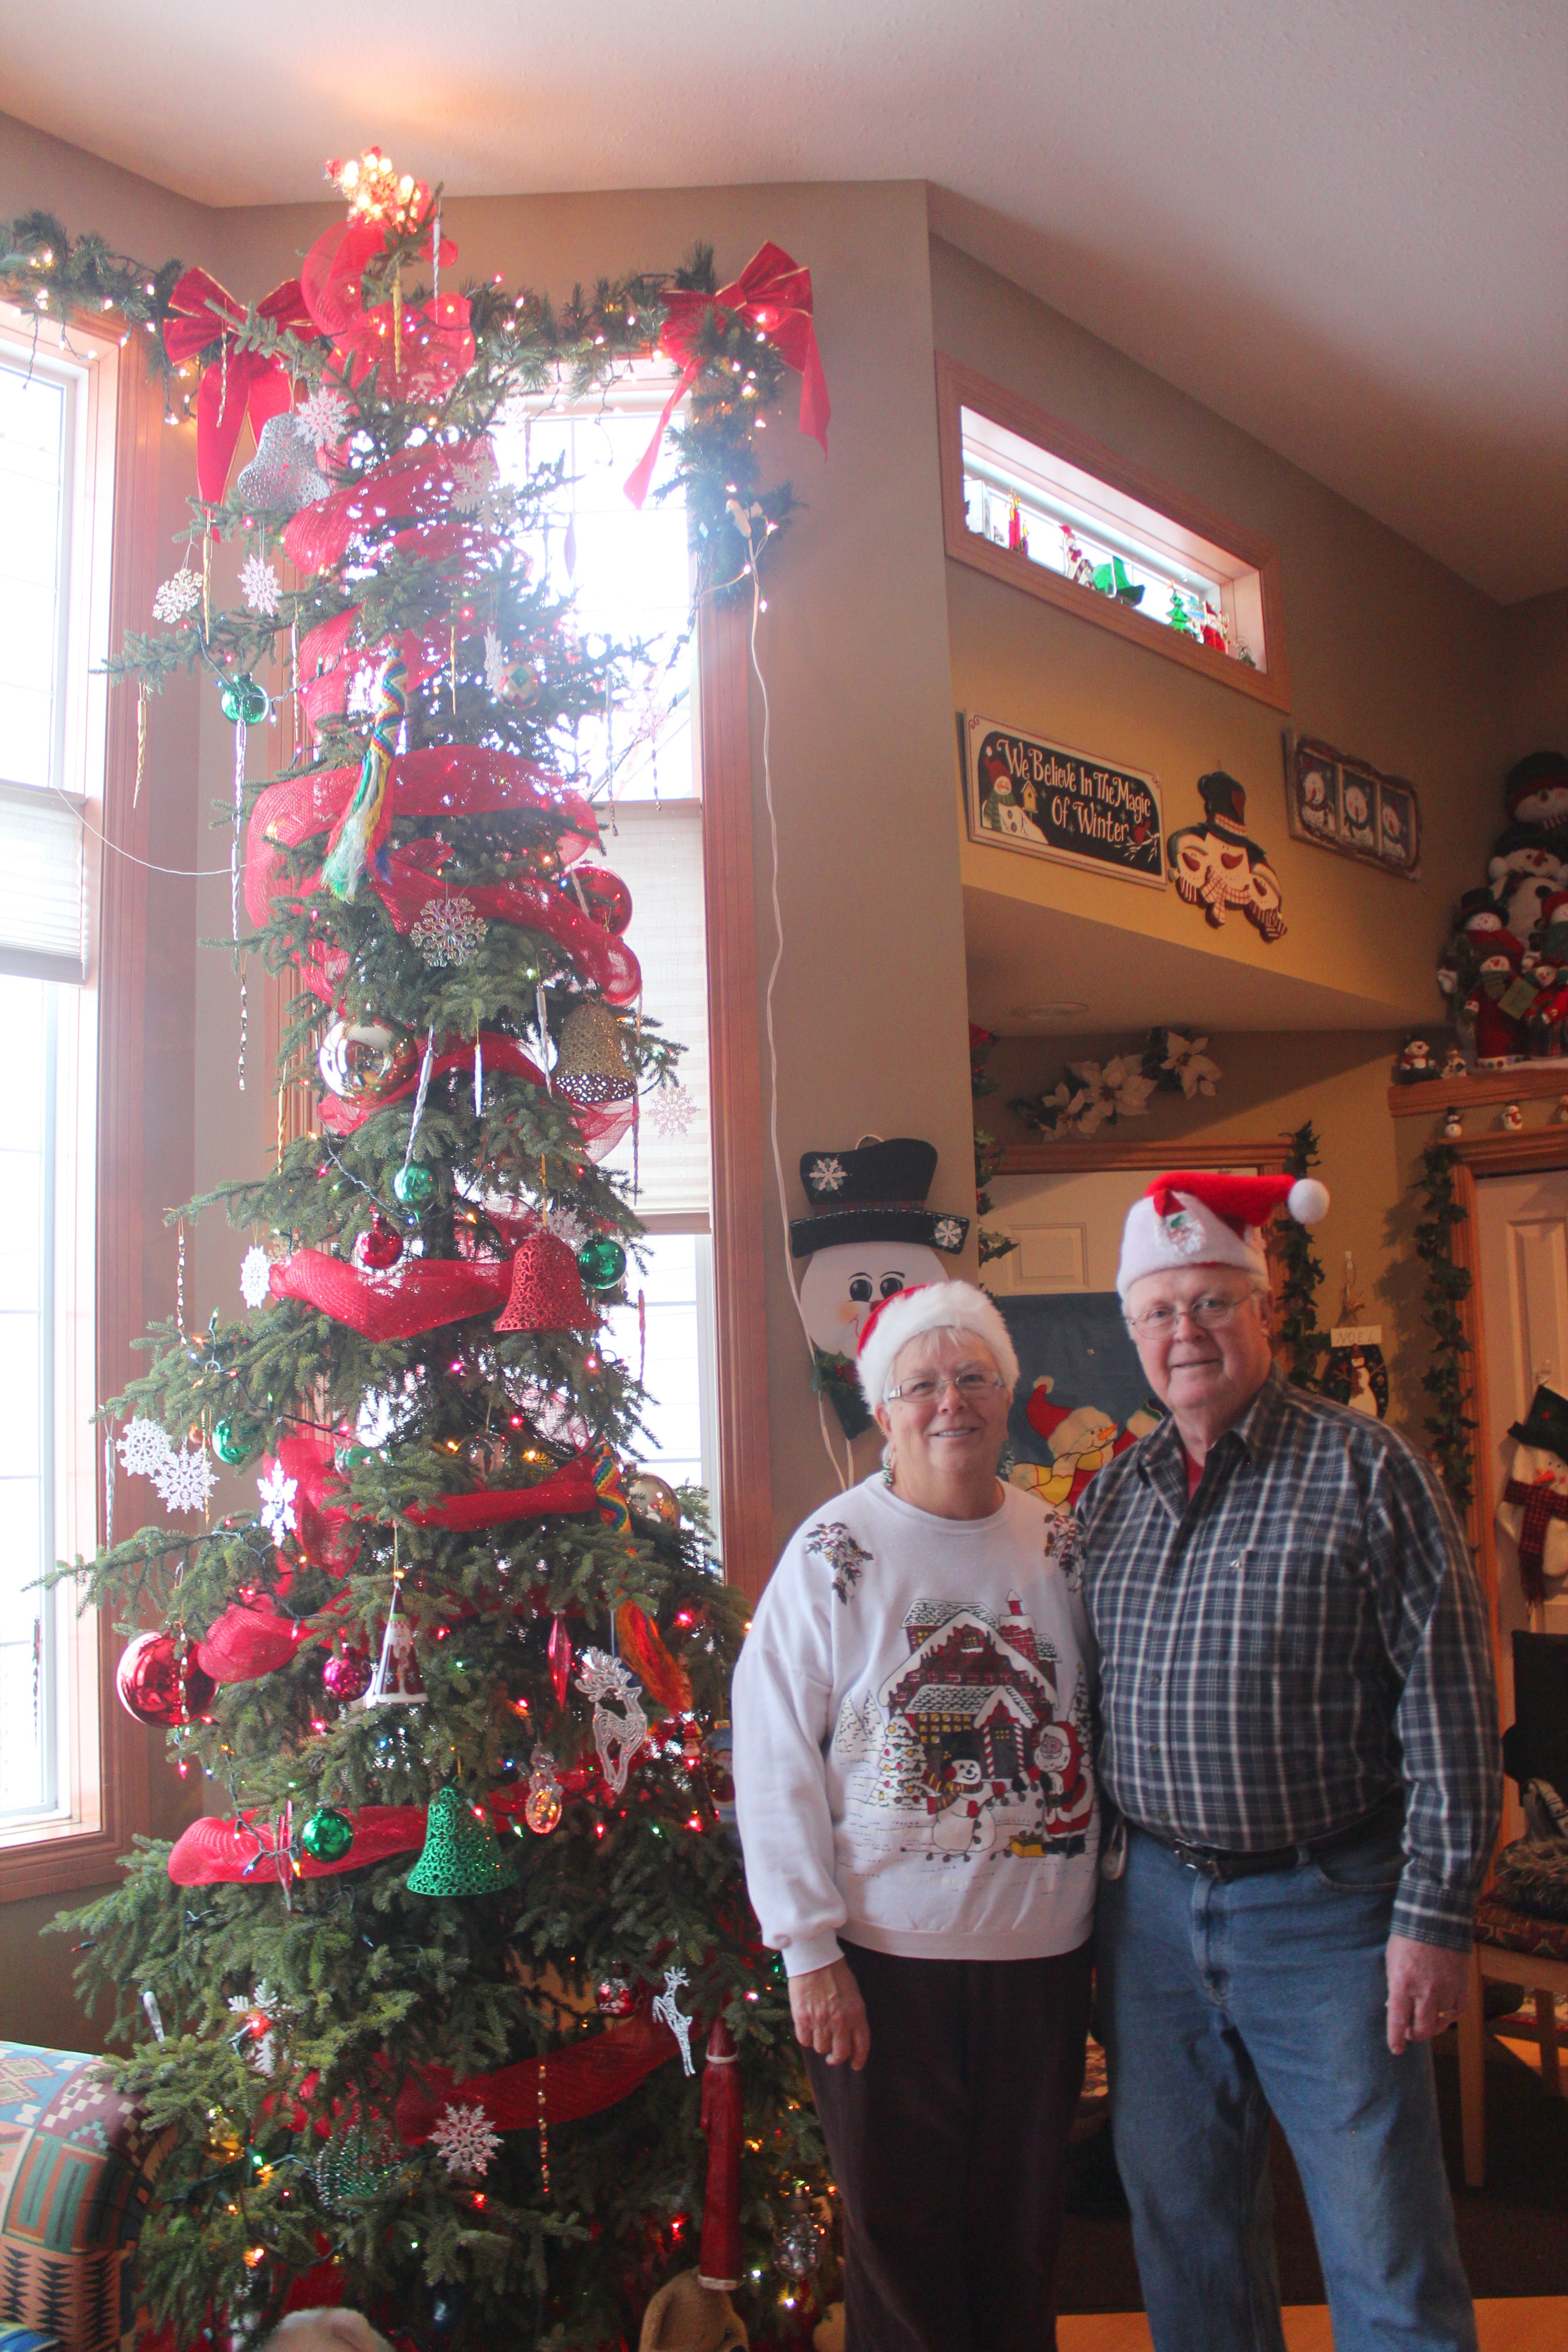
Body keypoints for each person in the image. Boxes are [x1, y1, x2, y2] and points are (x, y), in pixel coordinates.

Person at [1079, 1170, 1499, 2352]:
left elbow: (1452, 1706)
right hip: (1153, 1916)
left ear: (1265, 1311)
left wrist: (1435, 1916)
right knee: (1188, 2239)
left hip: (1334, 1912)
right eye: (1158, 1314)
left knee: (1384, 2248)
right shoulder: (1117, 1493)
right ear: (1134, 1336)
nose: (1185, 1334)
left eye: (1211, 1304)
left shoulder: (1370, 1471)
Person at [733, 1280, 1098, 2352]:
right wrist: (807, 1950)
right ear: (882, 1411)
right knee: (900, 2251)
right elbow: (771, 1759)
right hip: (882, 1962)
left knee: (1025, 2239)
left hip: (1043, 1954)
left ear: (1010, 1394)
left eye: (974, 1377)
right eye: (922, 1384)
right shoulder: (832, 1555)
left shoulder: (1063, 1546)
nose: (952, 1403)